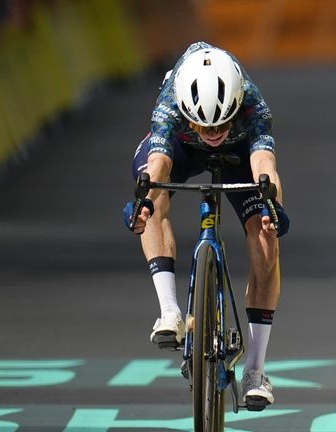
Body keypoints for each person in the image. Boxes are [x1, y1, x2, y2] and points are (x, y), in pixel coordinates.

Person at [122, 42, 289, 411]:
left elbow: (264, 162)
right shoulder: (170, 103)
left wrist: (271, 204)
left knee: (265, 233)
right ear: (185, 111)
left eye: (221, 123)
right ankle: (170, 311)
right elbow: (161, 161)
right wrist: (145, 201)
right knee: (151, 192)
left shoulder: (252, 106)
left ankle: (255, 371)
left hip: (239, 152)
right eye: (202, 123)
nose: (212, 131)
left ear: (235, 109)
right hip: (182, 149)